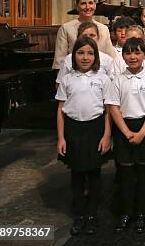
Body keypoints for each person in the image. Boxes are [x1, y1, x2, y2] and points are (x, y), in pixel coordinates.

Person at [56, 36, 112, 236]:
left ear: (96, 56)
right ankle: (79, 215)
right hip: (73, 130)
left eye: (90, 53)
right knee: (77, 174)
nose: (85, 57)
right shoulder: (67, 79)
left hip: (95, 129)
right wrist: (61, 137)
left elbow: (108, 111)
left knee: (94, 174)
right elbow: (61, 109)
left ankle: (92, 215)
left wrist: (106, 136)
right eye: (80, 53)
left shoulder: (103, 79)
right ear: (74, 56)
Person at [105, 37, 145, 234]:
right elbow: (113, 107)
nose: (133, 56)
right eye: (128, 52)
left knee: (144, 174)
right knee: (126, 174)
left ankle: (141, 213)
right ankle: (126, 212)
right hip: (124, 129)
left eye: (137, 52)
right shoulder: (118, 80)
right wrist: (127, 132)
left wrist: (142, 133)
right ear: (123, 55)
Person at [53, 0, 115, 70]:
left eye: (90, 3)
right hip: (74, 73)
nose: (87, 7)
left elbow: (111, 57)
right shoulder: (66, 28)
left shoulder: (103, 29)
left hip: (100, 73)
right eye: (83, 3)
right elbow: (59, 61)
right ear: (77, 6)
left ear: (95, 6)